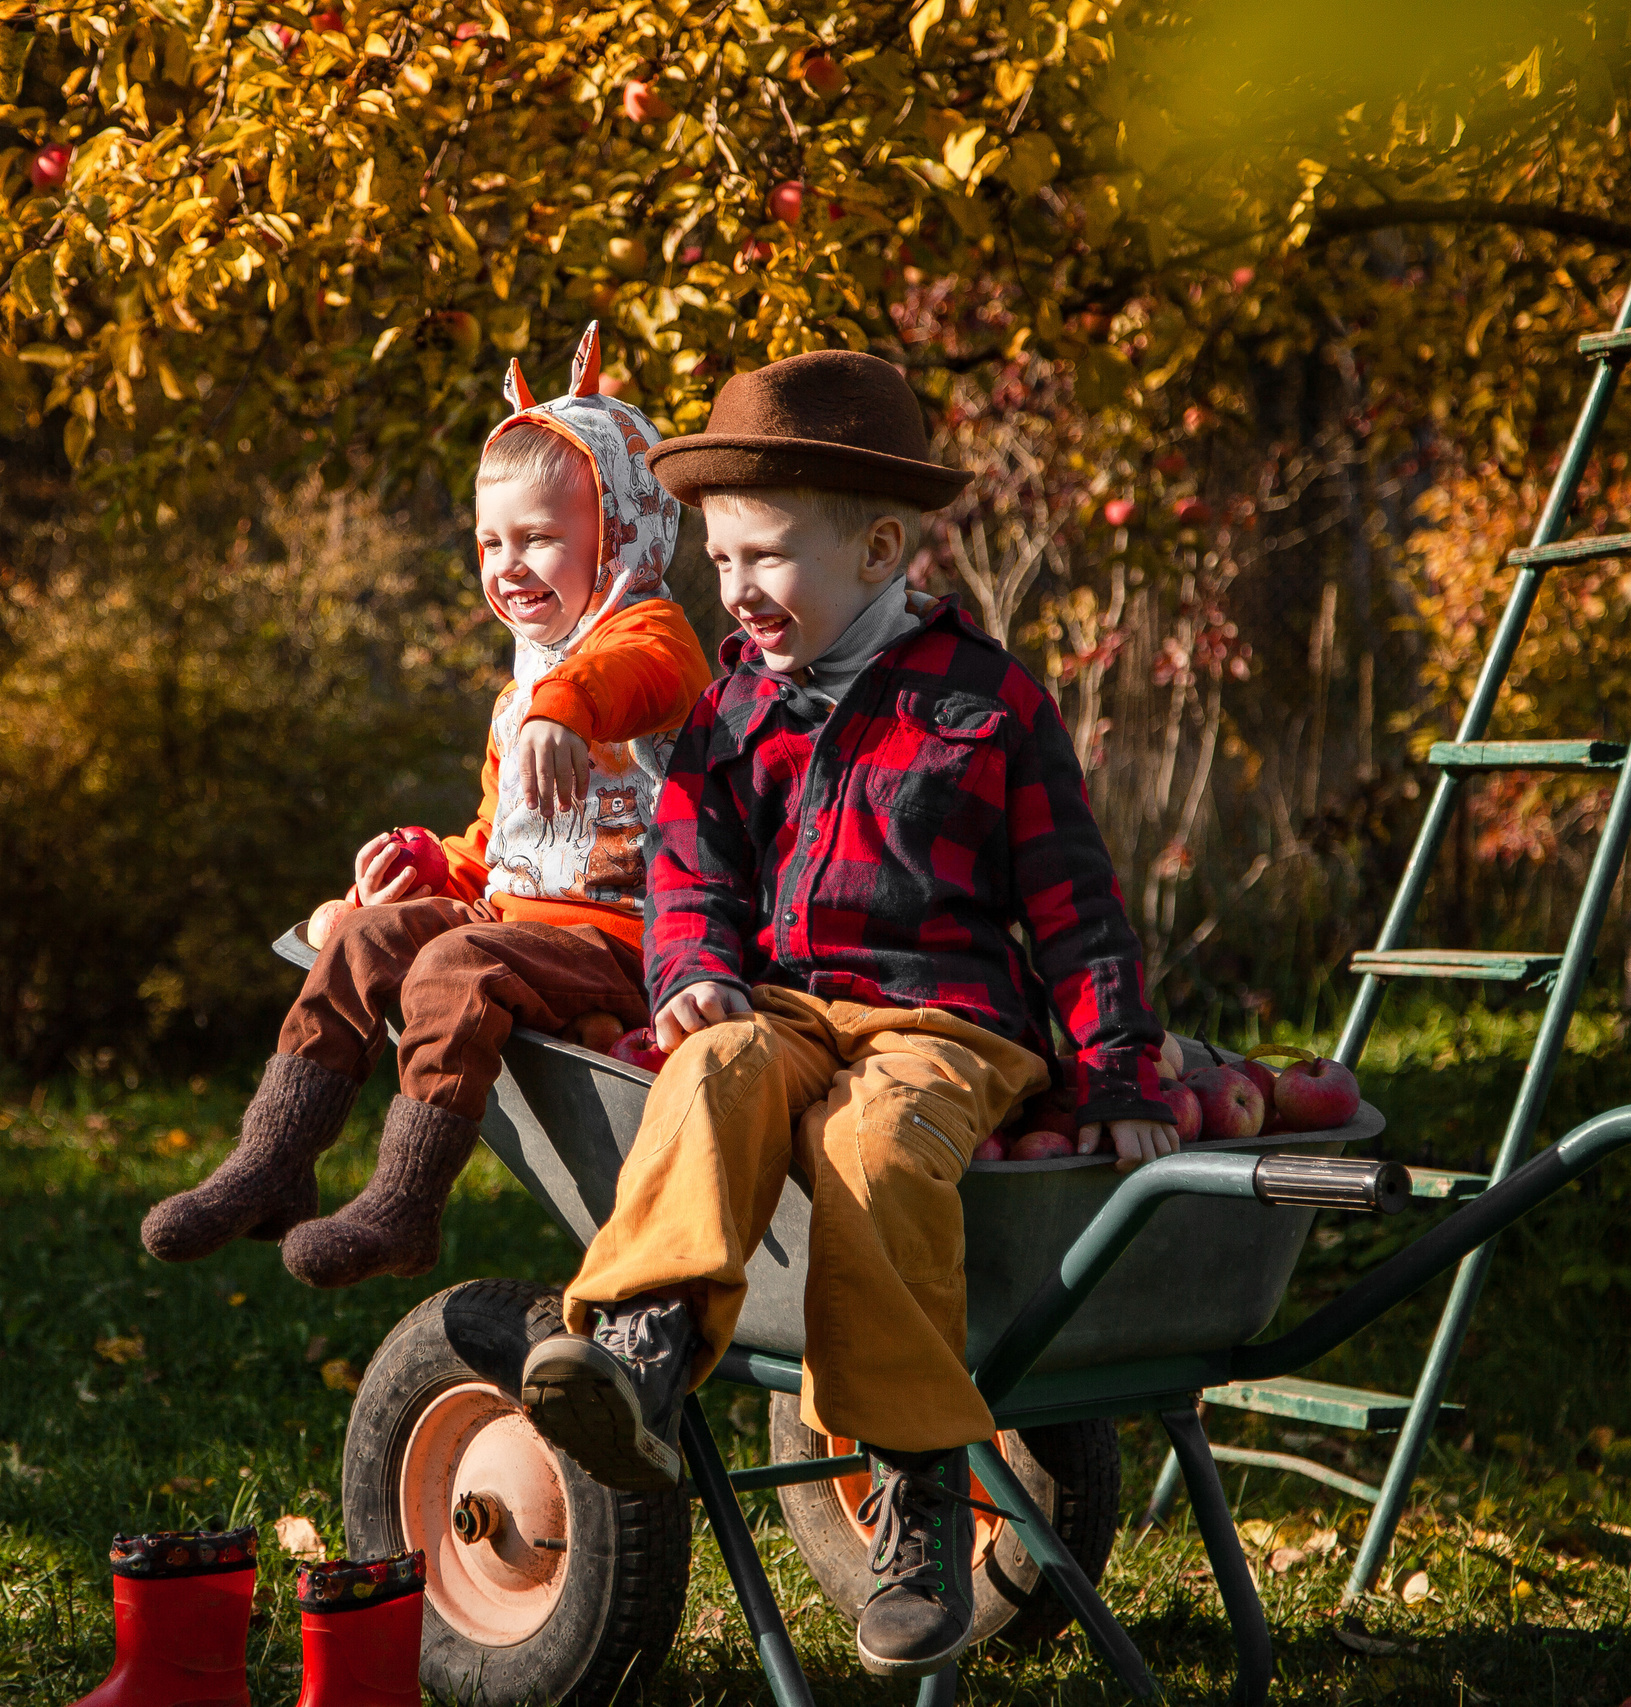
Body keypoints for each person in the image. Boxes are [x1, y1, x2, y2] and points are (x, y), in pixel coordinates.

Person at [516, 349, 1178, 1680]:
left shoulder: (988, 706)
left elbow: (1075, 906)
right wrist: (691, 968)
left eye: (764, 559)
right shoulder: (731, 713)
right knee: (709, 1071)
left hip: (945, 1023)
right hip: (786, 1005)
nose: (736, 594)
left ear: (879, 546)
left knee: (876, 1151)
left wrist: (1120, 1074)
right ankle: (642, 1347)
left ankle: (920, 1493)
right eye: (717, 564)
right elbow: (690, 865)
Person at [139, 327, 709, 1289]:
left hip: (626, 942)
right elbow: (504, 841)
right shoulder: (525, 683)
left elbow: (641, 676)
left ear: (618, 536)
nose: (508, 565)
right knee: (365, 941)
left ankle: (405, 1204)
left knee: (453, 963)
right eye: (491, 541)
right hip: (519, 925)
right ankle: (275, 1163)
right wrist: (439, 874)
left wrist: (564, 710)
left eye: (539, 539)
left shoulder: (649, 635)